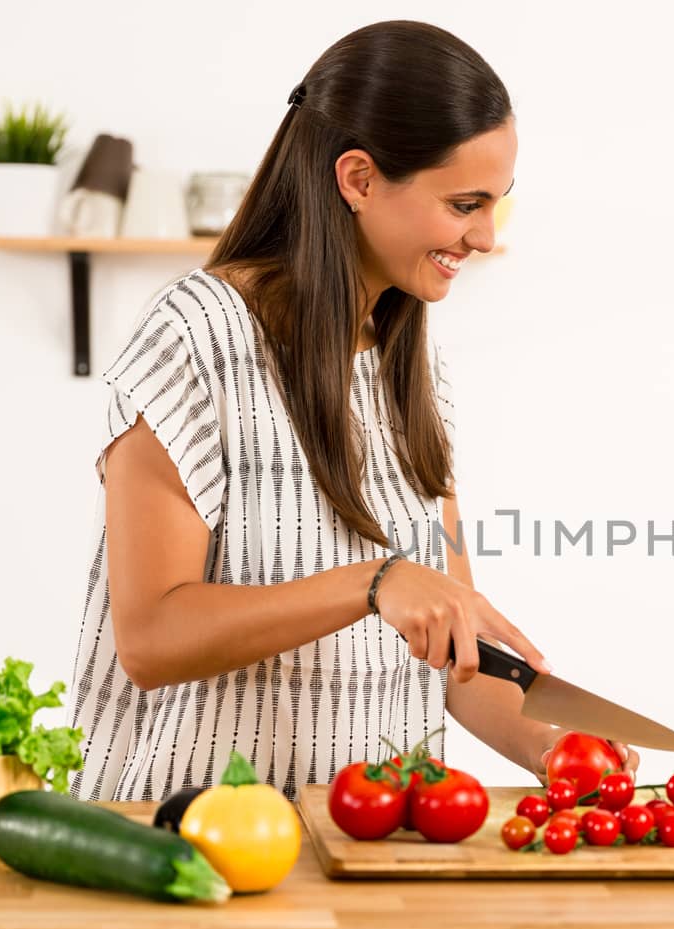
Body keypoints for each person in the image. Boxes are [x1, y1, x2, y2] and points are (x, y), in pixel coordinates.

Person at [66, 20, 633, 802]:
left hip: (370, 843)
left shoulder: (411, 361)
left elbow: (456, 659)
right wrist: (374, 581)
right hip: (191, 841)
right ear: (359, 178)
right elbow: (151, 638)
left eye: (496, 205)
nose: (483, 235)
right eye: (464, 203)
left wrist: (550, 746)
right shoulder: (196, 337)